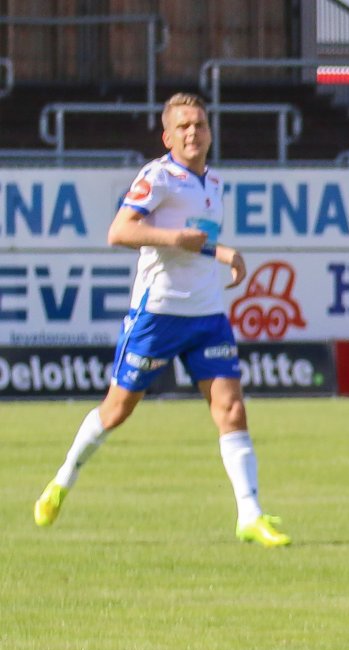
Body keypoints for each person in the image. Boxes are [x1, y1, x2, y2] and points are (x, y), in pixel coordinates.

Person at [31, 92, 289, 548]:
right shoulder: (158, 176)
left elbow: (196, 241)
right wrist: (173, 238)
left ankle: (249, 515)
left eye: (200, 125)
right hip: (159, 313)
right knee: (117, 410)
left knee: (231, 409)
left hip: (206, 313)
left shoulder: (214, 183)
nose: (193, 132)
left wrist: (222, 252)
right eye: (183, 126)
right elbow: (119, 231)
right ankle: (61, 481)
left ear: (210, 133)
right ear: (168, 137)